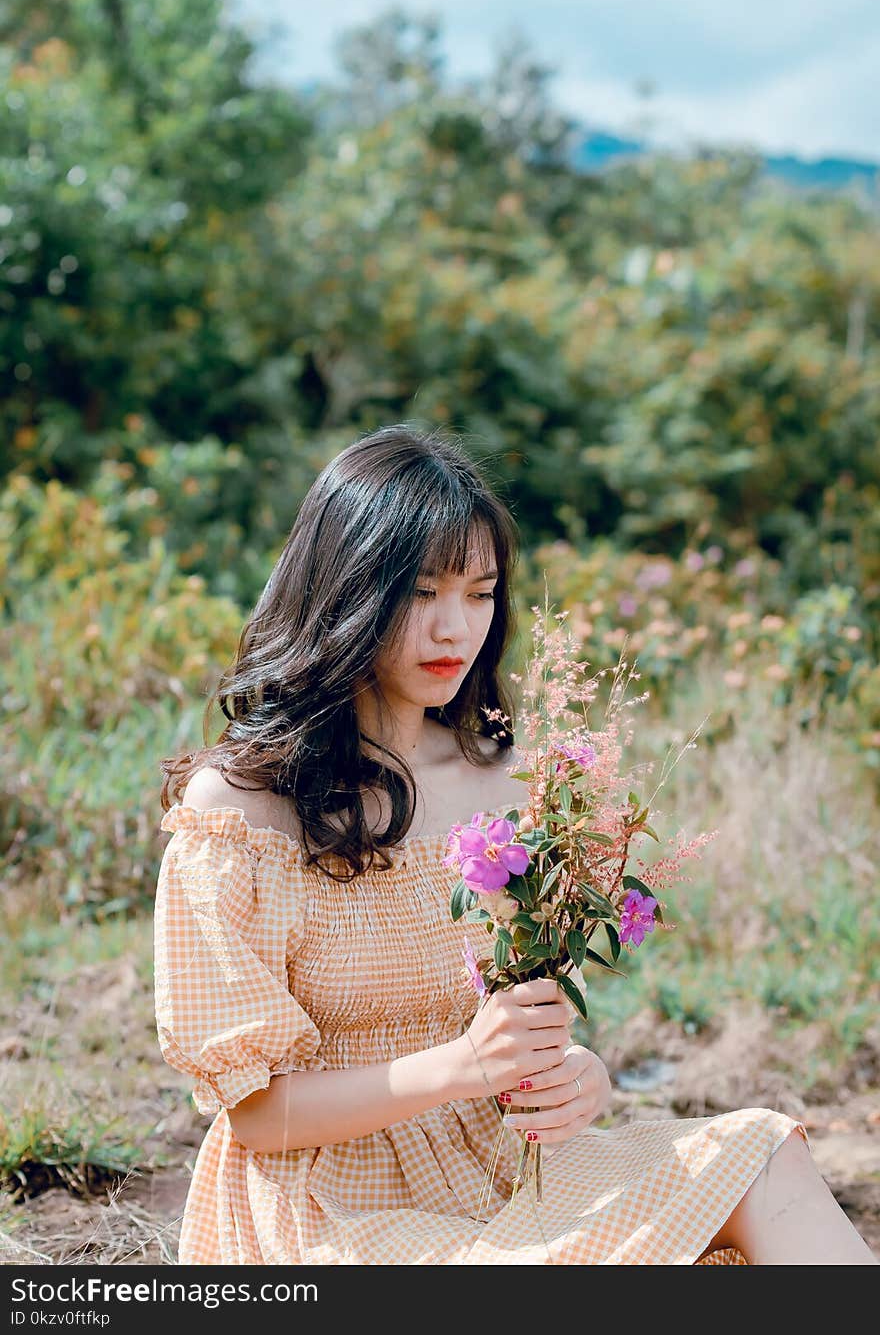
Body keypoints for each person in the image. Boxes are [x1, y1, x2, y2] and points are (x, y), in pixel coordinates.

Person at [154, 423, 876, 1265]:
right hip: (327, 1207)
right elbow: (252, 1113)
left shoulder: (503, 782)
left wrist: (579, 1079)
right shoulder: (241, 812)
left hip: (498, 1168)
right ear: (346, 591)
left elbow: (531, 1023)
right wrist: (463, 1066)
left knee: (761, 1154)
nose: (455, 629)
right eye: (421, 593)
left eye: (480, 591)